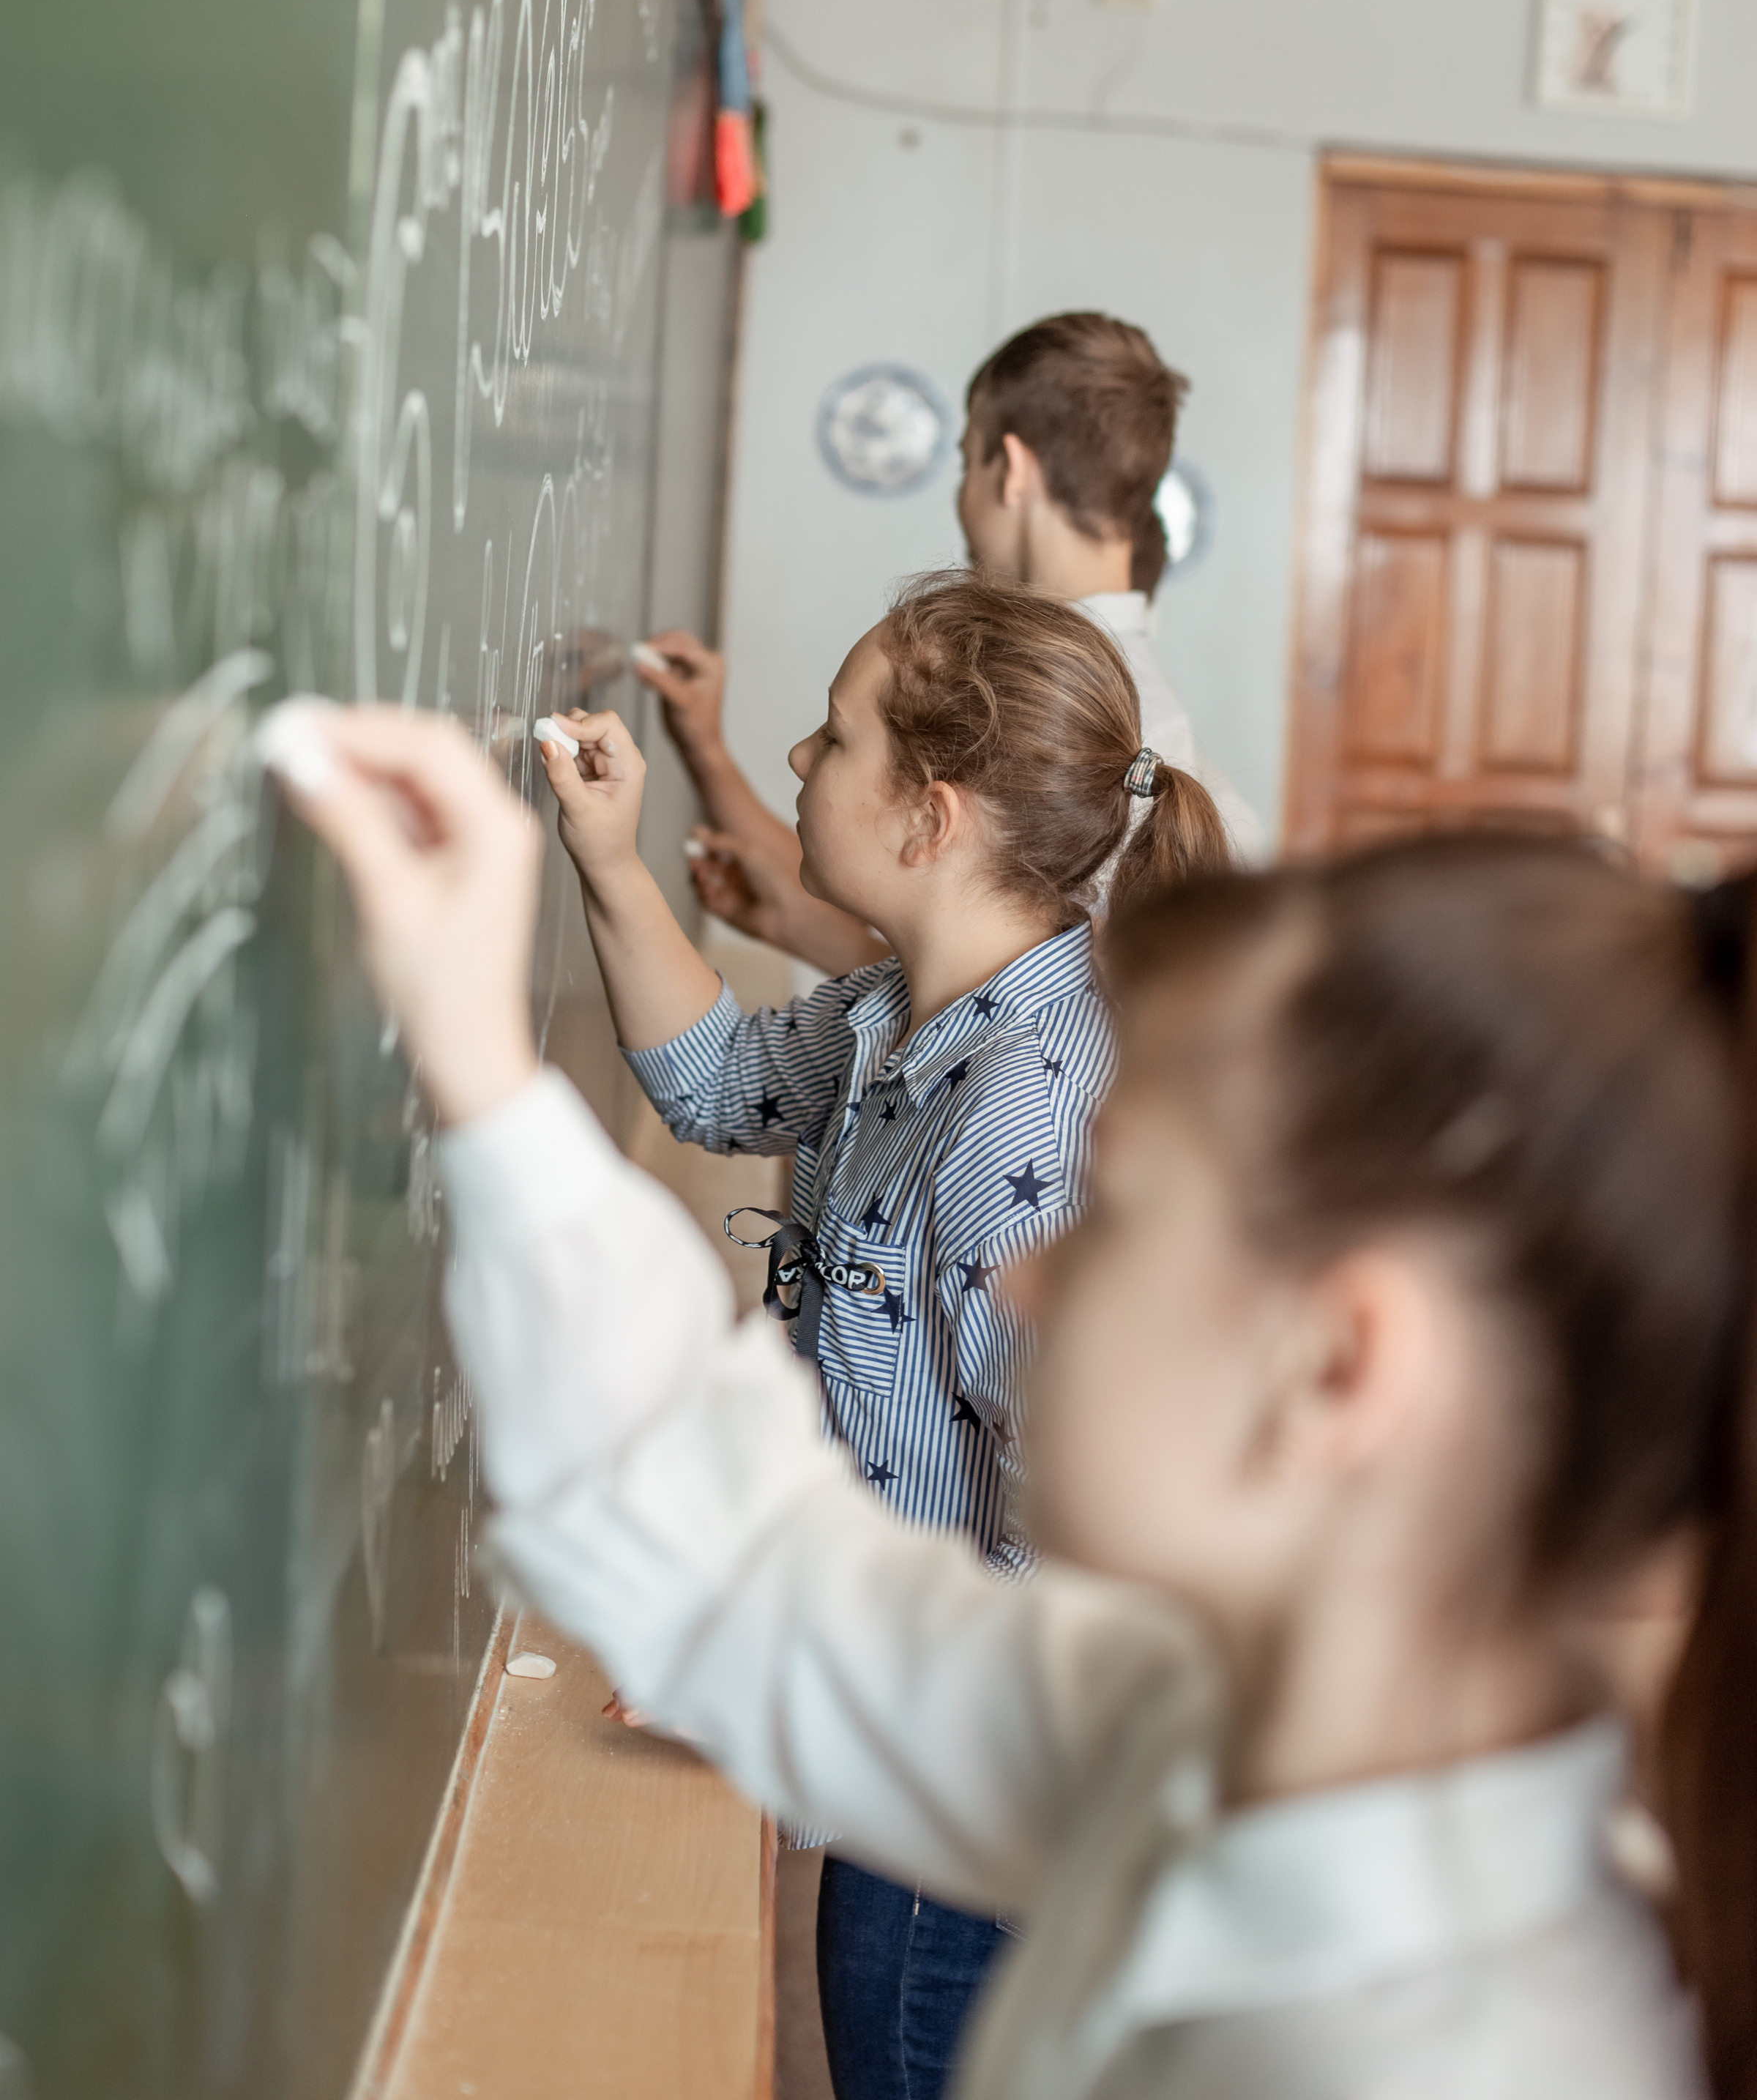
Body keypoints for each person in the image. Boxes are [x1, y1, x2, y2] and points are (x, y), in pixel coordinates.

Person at [267, 691, 1755, 2100]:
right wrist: (478, 1067)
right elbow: (759, 1588)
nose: (1027, 1285)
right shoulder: (1174, 1738)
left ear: (1338, 1367)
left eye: (1117, 1213)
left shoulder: (1453, 2061)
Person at [537, 570, 1226, 2100]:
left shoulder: (1025, 1110)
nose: (796, 763)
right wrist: (606, 858)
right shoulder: (896, 1017)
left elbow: (1081, 1533)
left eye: (833, 740)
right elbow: (715, 1084)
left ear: (934, 815)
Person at [638, 312, 1261, 981]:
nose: (963, 500)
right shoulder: (1119, 701)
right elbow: (882, 855)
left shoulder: (1082, 719)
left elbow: (1022, 1006)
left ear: (1013, 470)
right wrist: (708, 749)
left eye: (968, 462)